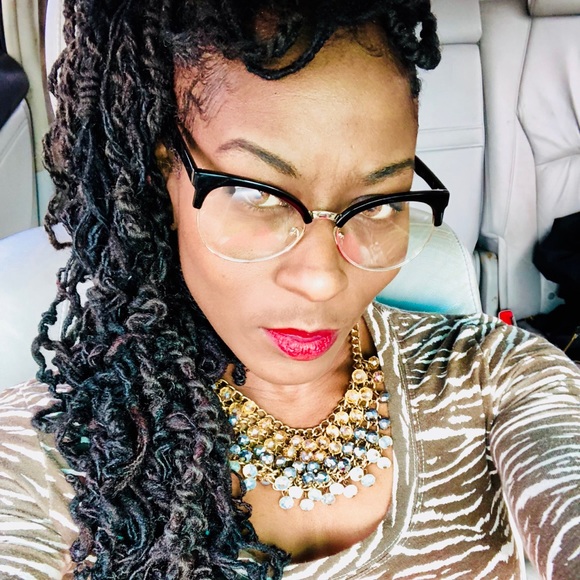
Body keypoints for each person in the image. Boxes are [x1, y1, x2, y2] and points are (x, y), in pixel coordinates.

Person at [0, 1, 579, 578]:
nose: (323, 278)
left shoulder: (494, 376)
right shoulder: (51, 450)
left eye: (379, 203)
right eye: (256, 194)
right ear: (163, 176)